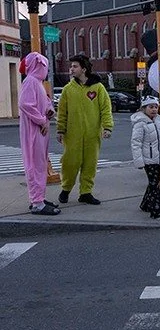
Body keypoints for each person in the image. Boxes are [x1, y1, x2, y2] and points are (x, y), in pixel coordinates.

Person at [56, 54, 113, 205]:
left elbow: (105, 109)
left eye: (75, 66)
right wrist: (60, 130)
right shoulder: (68, 89)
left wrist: (107, 127)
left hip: (92, 134)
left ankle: (86, 192)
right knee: (70, 163)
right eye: (71, 66)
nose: (71, 69)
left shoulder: (98, 88)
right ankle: (66, 189)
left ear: (84, 69)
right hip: (72, 135)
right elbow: (62, 112)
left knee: (90, 163)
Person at [18, 52, 60, 215]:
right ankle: (37, 203)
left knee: (40, 164)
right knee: (35, 165)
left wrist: (48, 113)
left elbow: (45, 103)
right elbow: (25, 104)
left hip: (39, 129)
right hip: (34, 130)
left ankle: (39, 198)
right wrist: (42, 120)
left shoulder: (37, 82)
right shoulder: (31, 82)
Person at [130, 96, 160, 220]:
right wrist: (139, 161)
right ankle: (158, 211)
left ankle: (145, 204)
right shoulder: (140, 123)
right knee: (155, 185)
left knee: (153, 183)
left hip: (158, 158)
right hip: (148, 159)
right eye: (151, 107)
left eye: (156, 107)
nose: (154, 109)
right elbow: (136, 142)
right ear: (144, 108)